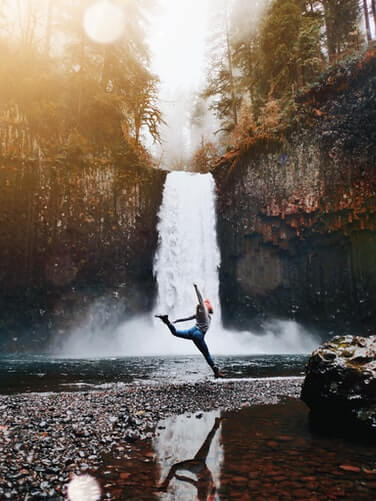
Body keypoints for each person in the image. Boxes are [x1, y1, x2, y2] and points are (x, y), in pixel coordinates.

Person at [155, 284, 222, 378]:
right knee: (206, 354)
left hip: (191, 331)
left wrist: (177, 321)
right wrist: (196, 288)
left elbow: (186, 318)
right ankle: (216, 372)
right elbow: (200, 299)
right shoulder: (205, 313)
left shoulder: (198, 314)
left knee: (174, 332)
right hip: (198, 335)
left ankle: (166, 321)